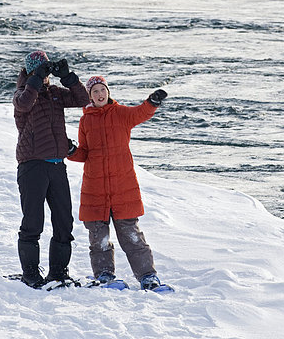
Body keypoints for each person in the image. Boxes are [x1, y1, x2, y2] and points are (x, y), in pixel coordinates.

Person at [67, 75, 168, 290]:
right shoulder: (86, 120)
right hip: (95, 187)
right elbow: (84, 153)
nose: (99, 94)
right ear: (90, 96)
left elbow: (140, 113)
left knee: (132, 236)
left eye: (102, 90)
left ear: (108, 92)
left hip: (123, 186)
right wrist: (72, 151)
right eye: (95, 92)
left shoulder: (121, 114)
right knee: (98, 238)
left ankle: (147, 276)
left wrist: (152, 102)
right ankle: (104, 275)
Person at [13, 50, 89, 288]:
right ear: (31, 72)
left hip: (57, 167)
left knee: (64, 222)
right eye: (39, 70)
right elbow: (24, 104)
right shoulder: (22, 94)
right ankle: (30, 274)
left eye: (46, 70)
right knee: (33, 222)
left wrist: (68, 77)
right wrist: (34, 80)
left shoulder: (55, 93)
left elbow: (82, 100)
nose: (45, 75)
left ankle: (58, 272)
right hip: (32, 166)